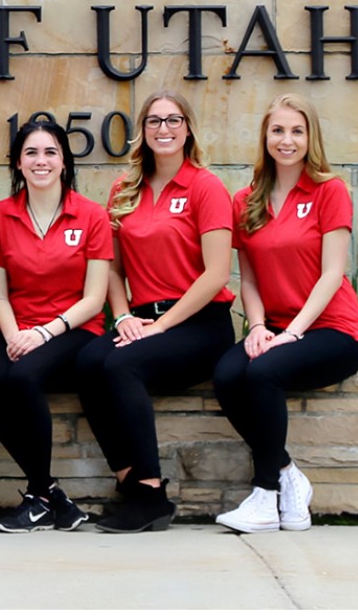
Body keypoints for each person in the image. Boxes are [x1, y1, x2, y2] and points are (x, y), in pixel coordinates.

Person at [76, 91, 234, 533]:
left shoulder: (206, 187)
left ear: (188, 129)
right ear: (142, 131)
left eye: (173, 120)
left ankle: (151, 496)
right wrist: (124, 317)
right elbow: (110, 267)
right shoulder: (124, 189)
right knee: (88, 361)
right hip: (143, 318)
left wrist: (162, 325)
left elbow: (217, 273)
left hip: (199, 324)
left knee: (123, 365)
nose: (163, 129)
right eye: (153, 121)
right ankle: (128, 480)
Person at [213, 96, 358, 533]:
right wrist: (260, 327)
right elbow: (249, 280)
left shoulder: (328, 190)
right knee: (227, 374)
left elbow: (332, 273)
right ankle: (288, 475)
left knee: (263, 373)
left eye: (297, 131)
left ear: (310, 138)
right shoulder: (246, 200)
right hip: (277, 328)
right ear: (265, 137)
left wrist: (292, 333)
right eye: (278, 130)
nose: (287, 140)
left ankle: (265, 496)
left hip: (335, 330)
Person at [0, 118, 111, 533]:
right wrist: (16, 332)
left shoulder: (90, 215)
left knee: (24, 378)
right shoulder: (2, 215)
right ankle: (50, 495)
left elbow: (95, 298)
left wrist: (44, 332)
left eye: (50, 152)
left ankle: (36, 499)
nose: (41, 161)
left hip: (74, 329)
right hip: (17, 326)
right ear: (18, 163)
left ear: (64, 162)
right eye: (31, 153)